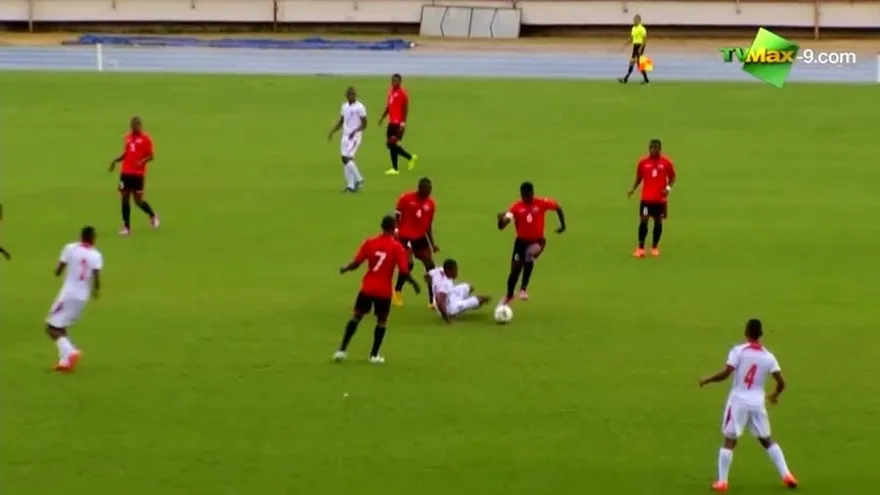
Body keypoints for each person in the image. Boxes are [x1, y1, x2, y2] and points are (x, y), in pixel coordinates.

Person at [699, 319, 798, 492]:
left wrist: (707, 379)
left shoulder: (738, 351)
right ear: (761, 334)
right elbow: (782, 383)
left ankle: (722, 482)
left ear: (746, 332)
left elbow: (726, 374)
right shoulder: (768, 357)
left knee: (730, 440)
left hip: (738, 400)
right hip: (757, 402)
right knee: (766, 439)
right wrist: (774, 395)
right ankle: (787, 475)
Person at [335, 215, 420, 364]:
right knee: (381, 321)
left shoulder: (369, 242)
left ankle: (342, 350)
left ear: (381, 226)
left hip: (367, 287)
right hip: (383, 291)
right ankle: (374, 355)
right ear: (394, 229)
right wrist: (414, 283)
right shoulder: (397, 247)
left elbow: (356, 263)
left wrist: (345, 268)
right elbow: (404, 271)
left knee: (357, 316)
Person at [496, 182, 565, 304]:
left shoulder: (541, 202)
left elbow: (558, 207)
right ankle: (509, 295)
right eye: (524, 196)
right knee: (515, 270)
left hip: (537, 241)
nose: (526, 198)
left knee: (530, 254)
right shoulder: (516, 207)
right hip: (521, 242)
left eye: (528, 195)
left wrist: (563, 225)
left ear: (532, 193)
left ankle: (523, 289)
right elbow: (505, 222)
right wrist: (501, 221)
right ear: (521, 195)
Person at [46, 226, 103, 372]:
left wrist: (57, 270)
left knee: (51, 328)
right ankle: (64, 361)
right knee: (62, 326)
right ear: (92, 238)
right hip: (82, 297)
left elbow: (58, 270)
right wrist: (95, 291)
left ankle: (71, 352)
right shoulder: (96, 255)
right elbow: (96, 277)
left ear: (81, 236)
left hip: (68, 294)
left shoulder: (70, 248)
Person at [109, 116, 159, 236]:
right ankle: (127, 227)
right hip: (125, 173)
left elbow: (151, 156)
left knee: (138, 201)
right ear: (131, 126)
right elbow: (127, 153)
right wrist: (116, 160)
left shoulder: (146, 139)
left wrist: (142, 161)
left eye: (138, 125)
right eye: (134, 125)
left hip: (138, 174)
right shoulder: (127, 137)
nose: (136, 127)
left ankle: (152, 215)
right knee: (125, 198)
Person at [393, 177, 438, 308]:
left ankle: (432, 300)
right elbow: (396, 215)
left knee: (430, 266)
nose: (429, 193)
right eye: (427, 190)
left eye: (430, 190)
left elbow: (428, 225)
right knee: (408, 265)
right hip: (404, 236)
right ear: (420, 188)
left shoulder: (431, 204)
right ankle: (397, 292)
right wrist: (396, 230)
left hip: (419, 237)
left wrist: (432, 243)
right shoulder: (406, 198)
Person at [627, 138, 676, 258]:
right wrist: (632, 189)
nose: (652, 150)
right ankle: (640, 248)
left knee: (658, 223)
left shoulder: (666, 163)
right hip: (646, 199)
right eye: (651, 148)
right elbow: (639, 178)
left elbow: (672, 178)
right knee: (643, 221)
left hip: (660, 200)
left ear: (660, 149)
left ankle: (654, 247)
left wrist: (668, 189)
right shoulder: (643, 163)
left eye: (655, 148)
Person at [327, 86, 366, 192]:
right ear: (346, 95)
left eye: (352, 94)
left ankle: (359, 179)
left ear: (355, 95)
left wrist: (355, 131)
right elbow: (341, 121)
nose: (350, 96)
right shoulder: (344, 107)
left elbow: (364, 124)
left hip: (354, 136)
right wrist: (333, 131)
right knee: (345, 161)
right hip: (345, 136)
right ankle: (350, 186)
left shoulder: (360, 107)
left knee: (346, 159)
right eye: (349, 94)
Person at [378, 73, 418, 175]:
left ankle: (410, 157)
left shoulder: (403, 94)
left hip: (398, 123)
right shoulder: (390, 92)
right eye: (392, 81)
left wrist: (403, 123)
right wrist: (382, 117)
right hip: (391, 122)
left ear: (400, 82)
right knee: (390, 145)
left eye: (396, 81)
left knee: (392, 144)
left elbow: (405, 110)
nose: (394, 82)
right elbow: (389, 106)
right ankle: (395, 169)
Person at [427, 259, 490, 323]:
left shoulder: (438, 271)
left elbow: (426, 275)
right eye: (455, 269)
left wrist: (434, 285)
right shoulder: (444, 285)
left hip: (450, 296)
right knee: (482, 299)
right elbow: (440, 303)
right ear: (448, 270)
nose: (457, 271)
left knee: (468, 287)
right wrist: (448, 320)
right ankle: (457, 310)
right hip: (450, 308)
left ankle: (463, 302)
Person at [618, 14, 649, 84]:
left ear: (639, 21)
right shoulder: (633, 28)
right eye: (634, 20)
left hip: (640, 46)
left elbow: (645, 40)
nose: (634, 21)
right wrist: (626, 43)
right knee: (633, 62)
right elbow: (632, 38)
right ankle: (626, 79)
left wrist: (641, 48)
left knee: (637, 63)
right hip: (635, 46)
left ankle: (646, 80)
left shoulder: (642, 29)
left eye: (636, 20)